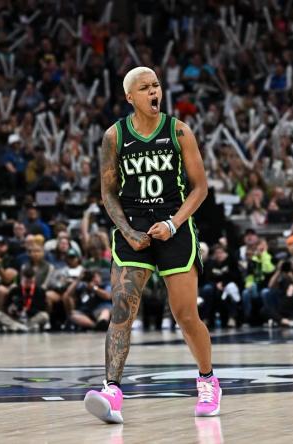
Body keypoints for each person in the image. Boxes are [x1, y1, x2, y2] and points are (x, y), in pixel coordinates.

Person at [84, 66, 220, 424]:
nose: (153, 91)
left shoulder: (178, 131)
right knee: (121, 309)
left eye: (156, 85)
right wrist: (126, 229)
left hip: (173, 226)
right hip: (133, 229)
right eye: (144, 88)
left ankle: (207, 380)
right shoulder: (114, 136)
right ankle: (112, 391)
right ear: (130, 97)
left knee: (185, 315)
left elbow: (200, 188)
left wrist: (174, 224)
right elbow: (108, 192)